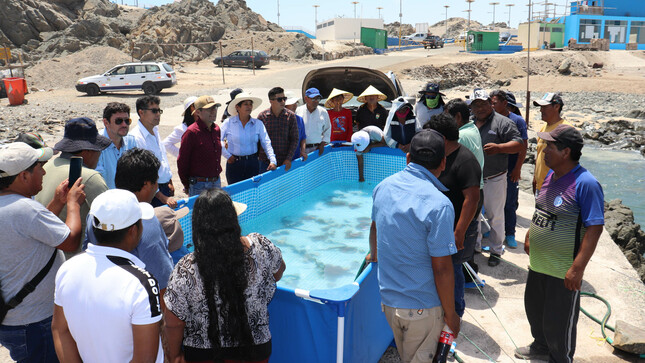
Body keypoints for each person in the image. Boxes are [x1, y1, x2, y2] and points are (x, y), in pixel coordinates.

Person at [163, 188, 286, 363]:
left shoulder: (186, 268)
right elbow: (279, 271)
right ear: (233, 219)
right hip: (255, 349)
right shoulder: (260, 245)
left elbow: (174, 322)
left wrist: (174, 356)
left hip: (204, 355)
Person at [368, 130, 460, 362]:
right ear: (443, 163)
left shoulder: (383, 187)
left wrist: (374, 255)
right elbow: (442, 268)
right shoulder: (440, 205)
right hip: (422, 308)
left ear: (408, 158)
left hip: (389, 302)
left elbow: (374, 229)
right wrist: (451, 314)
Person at [516, 125, 604, 363]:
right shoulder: (550, 175)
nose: (543, 150)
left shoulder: (586, 183)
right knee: (535, 312)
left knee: (559, 323)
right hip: (538, 264)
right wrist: (529, 234)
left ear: (566, 152)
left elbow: (595, 227)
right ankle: (541, 347)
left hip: (562, 269)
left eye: (550, 146)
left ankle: (560, 358)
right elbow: (542, 209)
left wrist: (577, 268)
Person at [52, 189, 163, 363]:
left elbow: (60, 330)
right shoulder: (141, 284)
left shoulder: (67, 269)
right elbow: (146, 358)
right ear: (133, 231)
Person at [0, 142, 85, 363]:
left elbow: (34, 231)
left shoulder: (12, 206)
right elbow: (71, 240)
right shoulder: (25, 209)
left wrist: (58, 202)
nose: (45, 172)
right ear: (24, 176)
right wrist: (73, 204)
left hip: (14, 318)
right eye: (39, 167)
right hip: (35, 322)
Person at [424, 114, 481, 318]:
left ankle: (455, 314)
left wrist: (459, 233)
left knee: (453, 272)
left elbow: (472, 199)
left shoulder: (465, 161)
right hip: (439, 227)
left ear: (443, 138)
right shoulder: (439, 157)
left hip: (456, 228)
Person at [35, 117, 110, 251]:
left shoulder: (47, 167)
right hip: (74, 258)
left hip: (47, 253)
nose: (99, 154)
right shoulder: (90, 177)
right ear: (87, 150)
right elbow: (112, 223)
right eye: (98, 149)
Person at [469, 88, 523, 267]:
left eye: (483, 104)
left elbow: (518, 144)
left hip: (495, 178)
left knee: (495, 217)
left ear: (490, 104)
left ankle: (495, 250)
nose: (480, 108)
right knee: (473, 215)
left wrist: (499, 148)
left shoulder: (503, 122)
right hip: (473, 179)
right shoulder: (469, 123)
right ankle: (475, 247)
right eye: (476, 105)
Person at [445, 98, 485, 279]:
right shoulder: (472, 128)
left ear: (458, 117)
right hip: (477, 190)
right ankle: (468, 271)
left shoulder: (460, 137)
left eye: (448, 118)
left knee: (461, 235)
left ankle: (463, 276)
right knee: (469, 234)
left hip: (468, 195)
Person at [491, 90, 528, 249]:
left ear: (505, 103)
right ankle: (492, 230)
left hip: (511, 169)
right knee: (493, 204)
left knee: (509, 203)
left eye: (494, 103)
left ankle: (510, 233)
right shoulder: (490, 119)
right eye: (490, 103)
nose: (491, 106)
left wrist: (518, 168)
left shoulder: (518, 121)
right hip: (493, 171)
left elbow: (523, 147)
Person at [130, 95, 177, 208]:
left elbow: (162, 157)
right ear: (141, 112)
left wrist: (169, 181)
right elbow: (142, 174)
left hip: (163, 187)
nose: (158, 114)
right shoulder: (136, 138)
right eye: (154, 111)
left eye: (159, 111)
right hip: (152, 193)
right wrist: (162, 197)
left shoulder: (155, 130)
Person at [221, 92, 277, 185]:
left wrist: (273, 160)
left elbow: (266, 142)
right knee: (235, 193)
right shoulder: (228, 123)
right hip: (234, 164)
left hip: (253, 163)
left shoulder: (258, 124)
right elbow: (218, 140)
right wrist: (227, 156)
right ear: (237, 107)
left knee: (252, 192)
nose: (249, 106)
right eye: (245, 104)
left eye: (250, 104)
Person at [177, 95, 223, 196]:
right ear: (198, 112)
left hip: (216, 182)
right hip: (199, 185)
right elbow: (182, 162)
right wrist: (187, 184)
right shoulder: (191, 132)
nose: (213, 111)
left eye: (215, 107)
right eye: (209, 109)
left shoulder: (216, 129)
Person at [532, 93, 572, 194]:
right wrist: (535, 178)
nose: (541, 110)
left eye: (545, 107)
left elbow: (570, 160)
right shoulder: (543, 128)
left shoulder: (565, 129)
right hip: (540, 187)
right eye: (541, 107)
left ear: (557, 107)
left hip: (555, 188)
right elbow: (539, 154)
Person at [96, 102, 137, 189]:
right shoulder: (95, 145)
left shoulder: (131, 141)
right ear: (106, 122)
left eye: (127, 121)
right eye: (119, 121)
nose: (124, 125)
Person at [257, 87, 299, 171]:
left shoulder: (291, 116)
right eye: (280, 99)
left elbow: (294, 139)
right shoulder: (262, 117)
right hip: (265, 163)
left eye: (284, 99)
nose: (283, 102)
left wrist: (288, 159)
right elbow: (257, 140)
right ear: (271, 101)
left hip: (284, 163)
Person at [296, 88, 331, 156]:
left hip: (317, 149)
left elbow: (328, 129)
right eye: (313, 98)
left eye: (317, 99)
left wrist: (323, 144)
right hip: (301, 150)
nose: (315, 101)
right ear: (306, 99)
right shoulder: (298, 111)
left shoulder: (323, 112)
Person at [285, 94, 308, 161]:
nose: (295, 106)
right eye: (292, 103)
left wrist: (303, 151)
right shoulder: (280, 120)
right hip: (283, 160)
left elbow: (303, 137)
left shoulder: (300, 119)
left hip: (296, 158)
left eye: (296, 103)